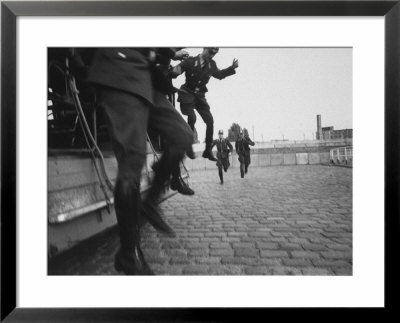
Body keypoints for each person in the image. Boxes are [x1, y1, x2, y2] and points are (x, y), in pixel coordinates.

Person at [87, 48, 194, 275]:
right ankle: (130, 254)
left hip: (146, 78)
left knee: (182, 135)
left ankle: (151, 202)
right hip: (119, 68)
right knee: (132, 160)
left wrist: (167, 52)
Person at [170, 48, 239, 162]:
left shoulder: (211, 65)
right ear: (204, 48)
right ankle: (189, 146)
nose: (212, 55)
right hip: (187, 94)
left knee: (210, 121)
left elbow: (220, 74)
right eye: (210, 52)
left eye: (215, 53)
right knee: (192, 117)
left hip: (200, 97)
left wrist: (232, 68)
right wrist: (173, 71)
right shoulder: (190, 62)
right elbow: (175, 71)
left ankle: (207, 151)